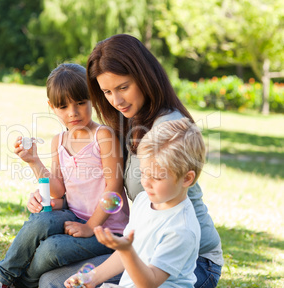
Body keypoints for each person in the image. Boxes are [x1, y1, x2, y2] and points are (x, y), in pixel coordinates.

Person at [39, 34, 223, 288]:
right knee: (50, 277)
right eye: (107, 92)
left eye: (123, 87)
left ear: (144, 77)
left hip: (190, 263)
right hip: (141, 243)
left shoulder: (167, 130)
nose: (116, 101)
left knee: (54, 282)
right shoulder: (130, 120)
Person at [0, 63, 129, 288]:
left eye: (81, 102)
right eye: (63, 106)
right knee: (39, 220)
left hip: (105, 231)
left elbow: (115, 186)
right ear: (52, 107)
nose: (73, 112)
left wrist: (90, 226)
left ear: (92, 98)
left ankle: (9, 281)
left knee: (52, 249)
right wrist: (34, 161)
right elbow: (58, 189)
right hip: (72, 216)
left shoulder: (103, 136)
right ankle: (2, 277)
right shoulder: (59, 141)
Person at [65, 117, 204, 287]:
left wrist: (127, 250)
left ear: (187, 178)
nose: (146, 182)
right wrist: (92, 278)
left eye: (157, 177)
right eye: (144, 173)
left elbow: (150, 282)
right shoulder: (144, 200)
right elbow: (125, 252)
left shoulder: (181, 229)